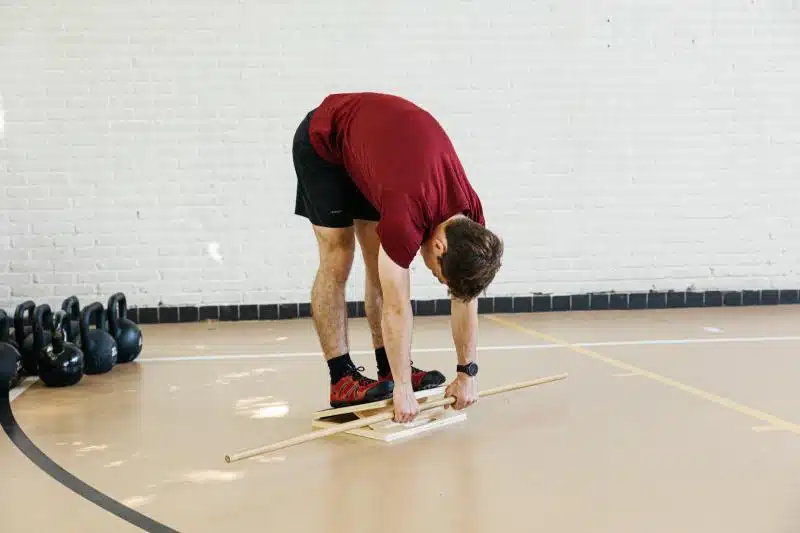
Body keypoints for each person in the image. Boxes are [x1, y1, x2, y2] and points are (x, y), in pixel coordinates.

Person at [291, 92, 503, 423]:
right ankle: (341, 378)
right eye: (439, 275)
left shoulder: (469, 220)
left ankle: (389, 367)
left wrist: (467, 373)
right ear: (439, 247)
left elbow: (466, 296)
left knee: (379, 260)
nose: (436, 277)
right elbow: (396, 303)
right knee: (339, 255)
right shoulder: (408, 214)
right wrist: (403, 389)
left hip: (373, 154)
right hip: (325, 144)